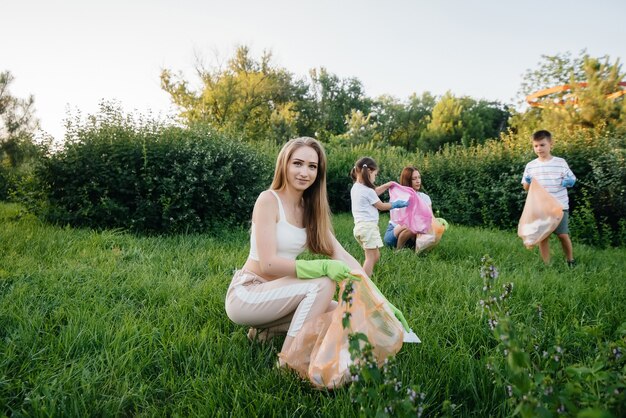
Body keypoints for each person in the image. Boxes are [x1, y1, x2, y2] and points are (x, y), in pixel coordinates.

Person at [224, 137, 365, 365]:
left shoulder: (310, 209)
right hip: (248, 294)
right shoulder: (268, 200)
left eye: (312, 166)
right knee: (324, 283)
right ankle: (289, 362)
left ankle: (264, 332)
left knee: (342, 314)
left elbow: (342, 255)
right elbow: (268, 263)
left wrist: (381, 302)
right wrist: (322, 267)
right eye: (297, 163)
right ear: (285, 164)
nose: (304, 172)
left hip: (279, 297)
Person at [522, 130, 576, 266]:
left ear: (550, 144)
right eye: (535, 146)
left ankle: (570, 260)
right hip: (540, 207)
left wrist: (570, 181)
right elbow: (526, 188)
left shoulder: (560, 162)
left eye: (542, 145)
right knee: (543, 237)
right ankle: (547, 264)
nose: (539, 149)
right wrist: (528, 181)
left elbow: (571, 179)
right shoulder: (531, 166)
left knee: (562, 235)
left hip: (559, 206)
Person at [350, 157, 408, 276]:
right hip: (368, 228)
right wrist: (395, 204)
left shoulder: (356, 187)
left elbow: (373, 193)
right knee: (371, 258)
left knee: (375, 256)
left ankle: (363, 275)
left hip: (360, 228)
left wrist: (387, 186)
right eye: (375, 175)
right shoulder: (368, 191)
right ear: (369, 172)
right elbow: (381, 206)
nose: (375, 177)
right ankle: (363, 282)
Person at [383, 166, 433, 249]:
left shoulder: (425, 198)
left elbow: (430, 219)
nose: (418, 181)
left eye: (419, 178)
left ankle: (409, 247)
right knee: (412, 223)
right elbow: (400, 220)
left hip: (414, 236)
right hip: (394, 234)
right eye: (414, 179)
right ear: (408, 180)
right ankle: (399, 251)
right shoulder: (400, 197)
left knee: (420, 224)